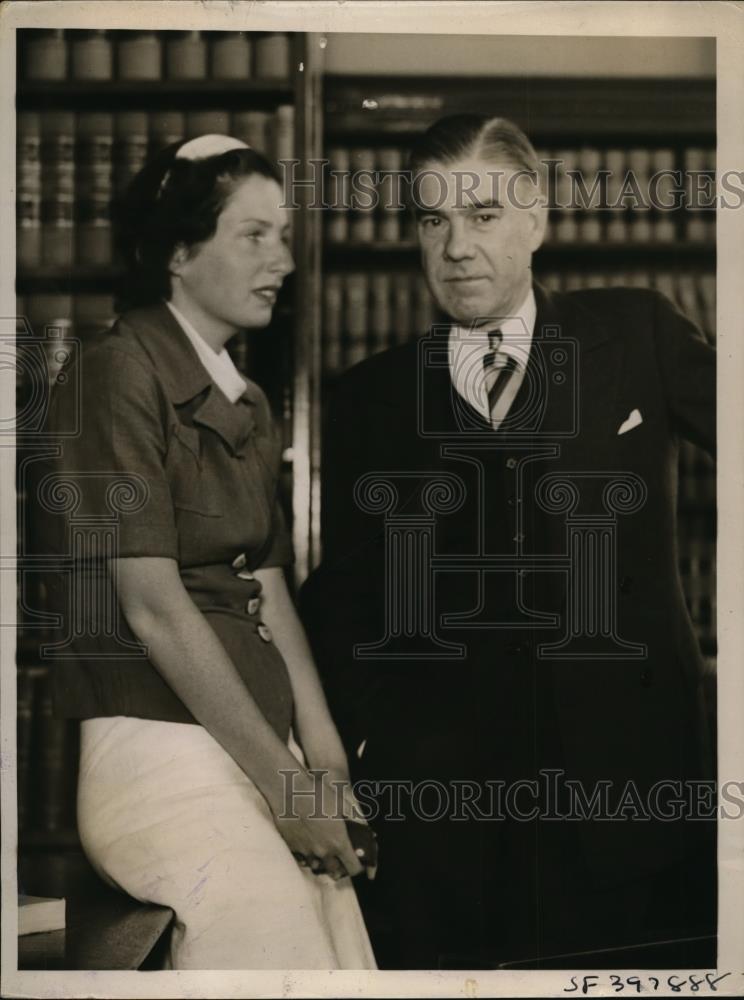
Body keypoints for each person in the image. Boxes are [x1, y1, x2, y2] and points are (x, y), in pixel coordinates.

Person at [300, 115, 717, 969]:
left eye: (483, 215)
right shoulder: (372, 398)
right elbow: (345, 607)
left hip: (631, 786)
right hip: (444, 814)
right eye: (432, 220)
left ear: (537, 220)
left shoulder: (636, 333)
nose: (456, 246)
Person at [36, 134, 376, 970]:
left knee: (347, 960)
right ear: (180, 254)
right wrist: (288, 785)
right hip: (155, 750)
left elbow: (266, 581)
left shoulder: (248, 400)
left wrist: (322, 757)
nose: (282, 260)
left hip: (255, 743)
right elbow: (153, 608)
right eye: (253, 235)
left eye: (285, 235)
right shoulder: (115, 373)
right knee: (277, 943)